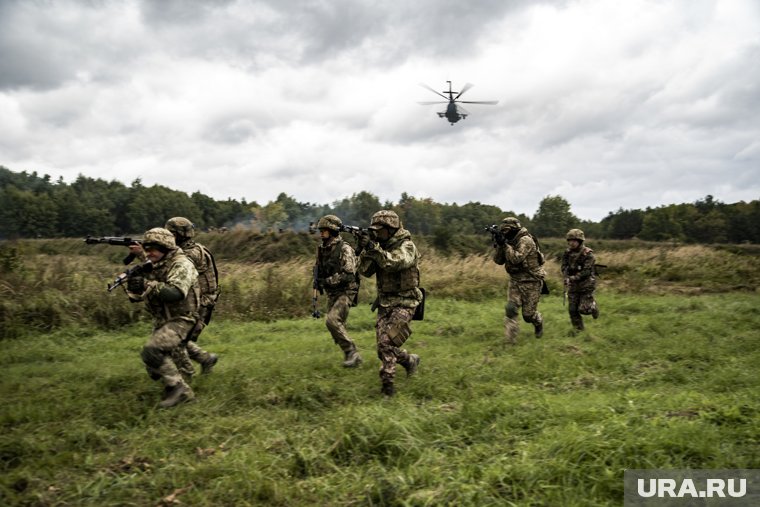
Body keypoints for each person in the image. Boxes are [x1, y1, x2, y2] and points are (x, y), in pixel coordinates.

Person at [123, 228, 200, 408]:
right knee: (154, 367)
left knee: (152, 351)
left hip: (182, 318)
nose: (148, 253)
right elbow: (140, 293)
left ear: (166, 248)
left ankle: (180, 391)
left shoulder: (181, 264)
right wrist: (135, 286)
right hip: (163, 319)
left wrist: (147, 284)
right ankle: (181, 382)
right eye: (146, 248)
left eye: (153, 249)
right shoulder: (155, 263)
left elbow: (175, 293)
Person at [358, 210, 422, 397]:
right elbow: (365, 270)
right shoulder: (380, 247)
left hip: (406, 303)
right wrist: (365, 249)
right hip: (385, 304)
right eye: (374, 231)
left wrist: (374, 248)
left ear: (391, 229)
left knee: (386, 343)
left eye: (380, 230)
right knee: (384, 348)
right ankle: (410, 360)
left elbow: (393, 263)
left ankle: (388, 388)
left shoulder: (407, 246)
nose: (377, 234)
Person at [164, 217, 220, 376]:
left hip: (199, 304)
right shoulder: (189, 249)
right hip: (195, 301)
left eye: (169, 234)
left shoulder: (190, 254)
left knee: (175, 341)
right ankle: (206, 359)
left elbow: (168, 270)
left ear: (178, 235)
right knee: (175, 338)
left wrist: (146, 254)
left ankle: (184, 380)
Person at [313, 214, 363, 368]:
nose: (321, 233)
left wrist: (327, 281)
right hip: (332, 292)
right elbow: (319, 268)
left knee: (332, 320)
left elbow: (348, 275)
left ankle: (352, 353)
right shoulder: (323, 249)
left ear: (333, 230)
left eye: (324, 230)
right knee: (337, 326)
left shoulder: (345, 248)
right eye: (321, 230)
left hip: (346, 291)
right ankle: (352, 358)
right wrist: (318, 279)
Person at [492, 217, 546, 344]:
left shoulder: (526, 240)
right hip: (515, 281)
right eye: (503, 231)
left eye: (507, 230)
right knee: (510, 309)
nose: (505, 233)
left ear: (514, 229)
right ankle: (510, 341)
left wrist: (505, 245)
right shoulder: (509, 241)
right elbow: (498, 261)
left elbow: (516, 258)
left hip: (531, 281)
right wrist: (500, 245)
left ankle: (538, 322)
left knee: (528, 315)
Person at [561, 228, 599, 330]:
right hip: (573, 285)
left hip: (586, 284)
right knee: (572, 309)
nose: (571, 243)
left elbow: (586, 272)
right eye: (570, 241)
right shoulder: (567, 253)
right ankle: (579, 331)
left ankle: (593, 306)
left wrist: (573, 278)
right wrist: (566, 276)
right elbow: (564, 266)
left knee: (584, 309)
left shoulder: (588, 254)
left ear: (580, 241)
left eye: (574, 241)